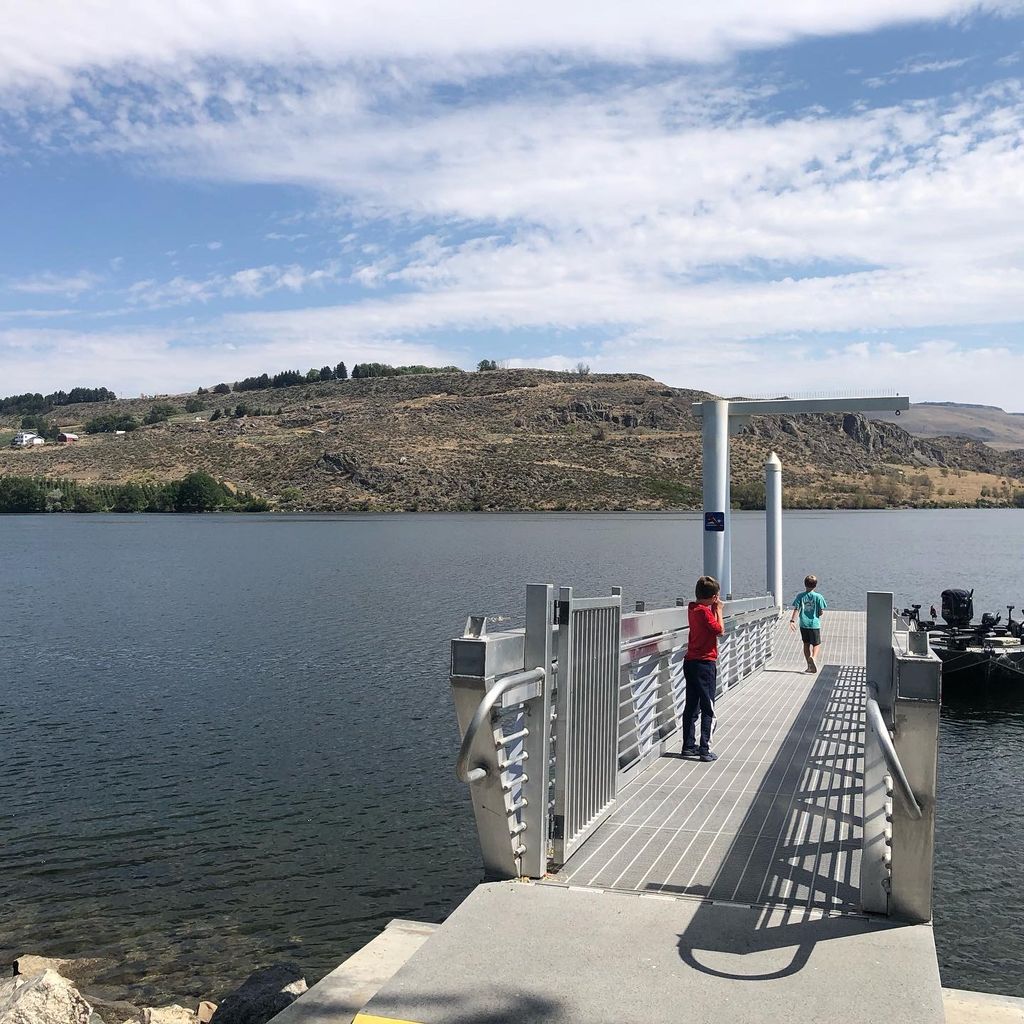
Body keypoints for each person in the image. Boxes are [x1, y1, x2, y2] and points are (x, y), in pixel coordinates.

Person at [682, 575, 725, 762]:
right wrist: (719, 610)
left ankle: (688, 746)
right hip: (705, 664)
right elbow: (720, 630)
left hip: (690, 661)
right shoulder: (705, 612)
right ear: (714, 596)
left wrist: (712, 607)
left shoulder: (693, 609)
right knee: (709, 708)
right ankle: (705, 749)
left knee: (691, 706)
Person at [790, 574, 828, 673]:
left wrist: (792, 621)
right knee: (816, 644)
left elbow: (796, 609)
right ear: (815, 585)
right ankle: (814, 658)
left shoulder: (800, 596)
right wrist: (819, 613)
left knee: (806, 644)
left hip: (803, 624)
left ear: (805, 584)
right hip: (814, 624)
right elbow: (820, 611)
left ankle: (809, 666)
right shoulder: (818, 597)